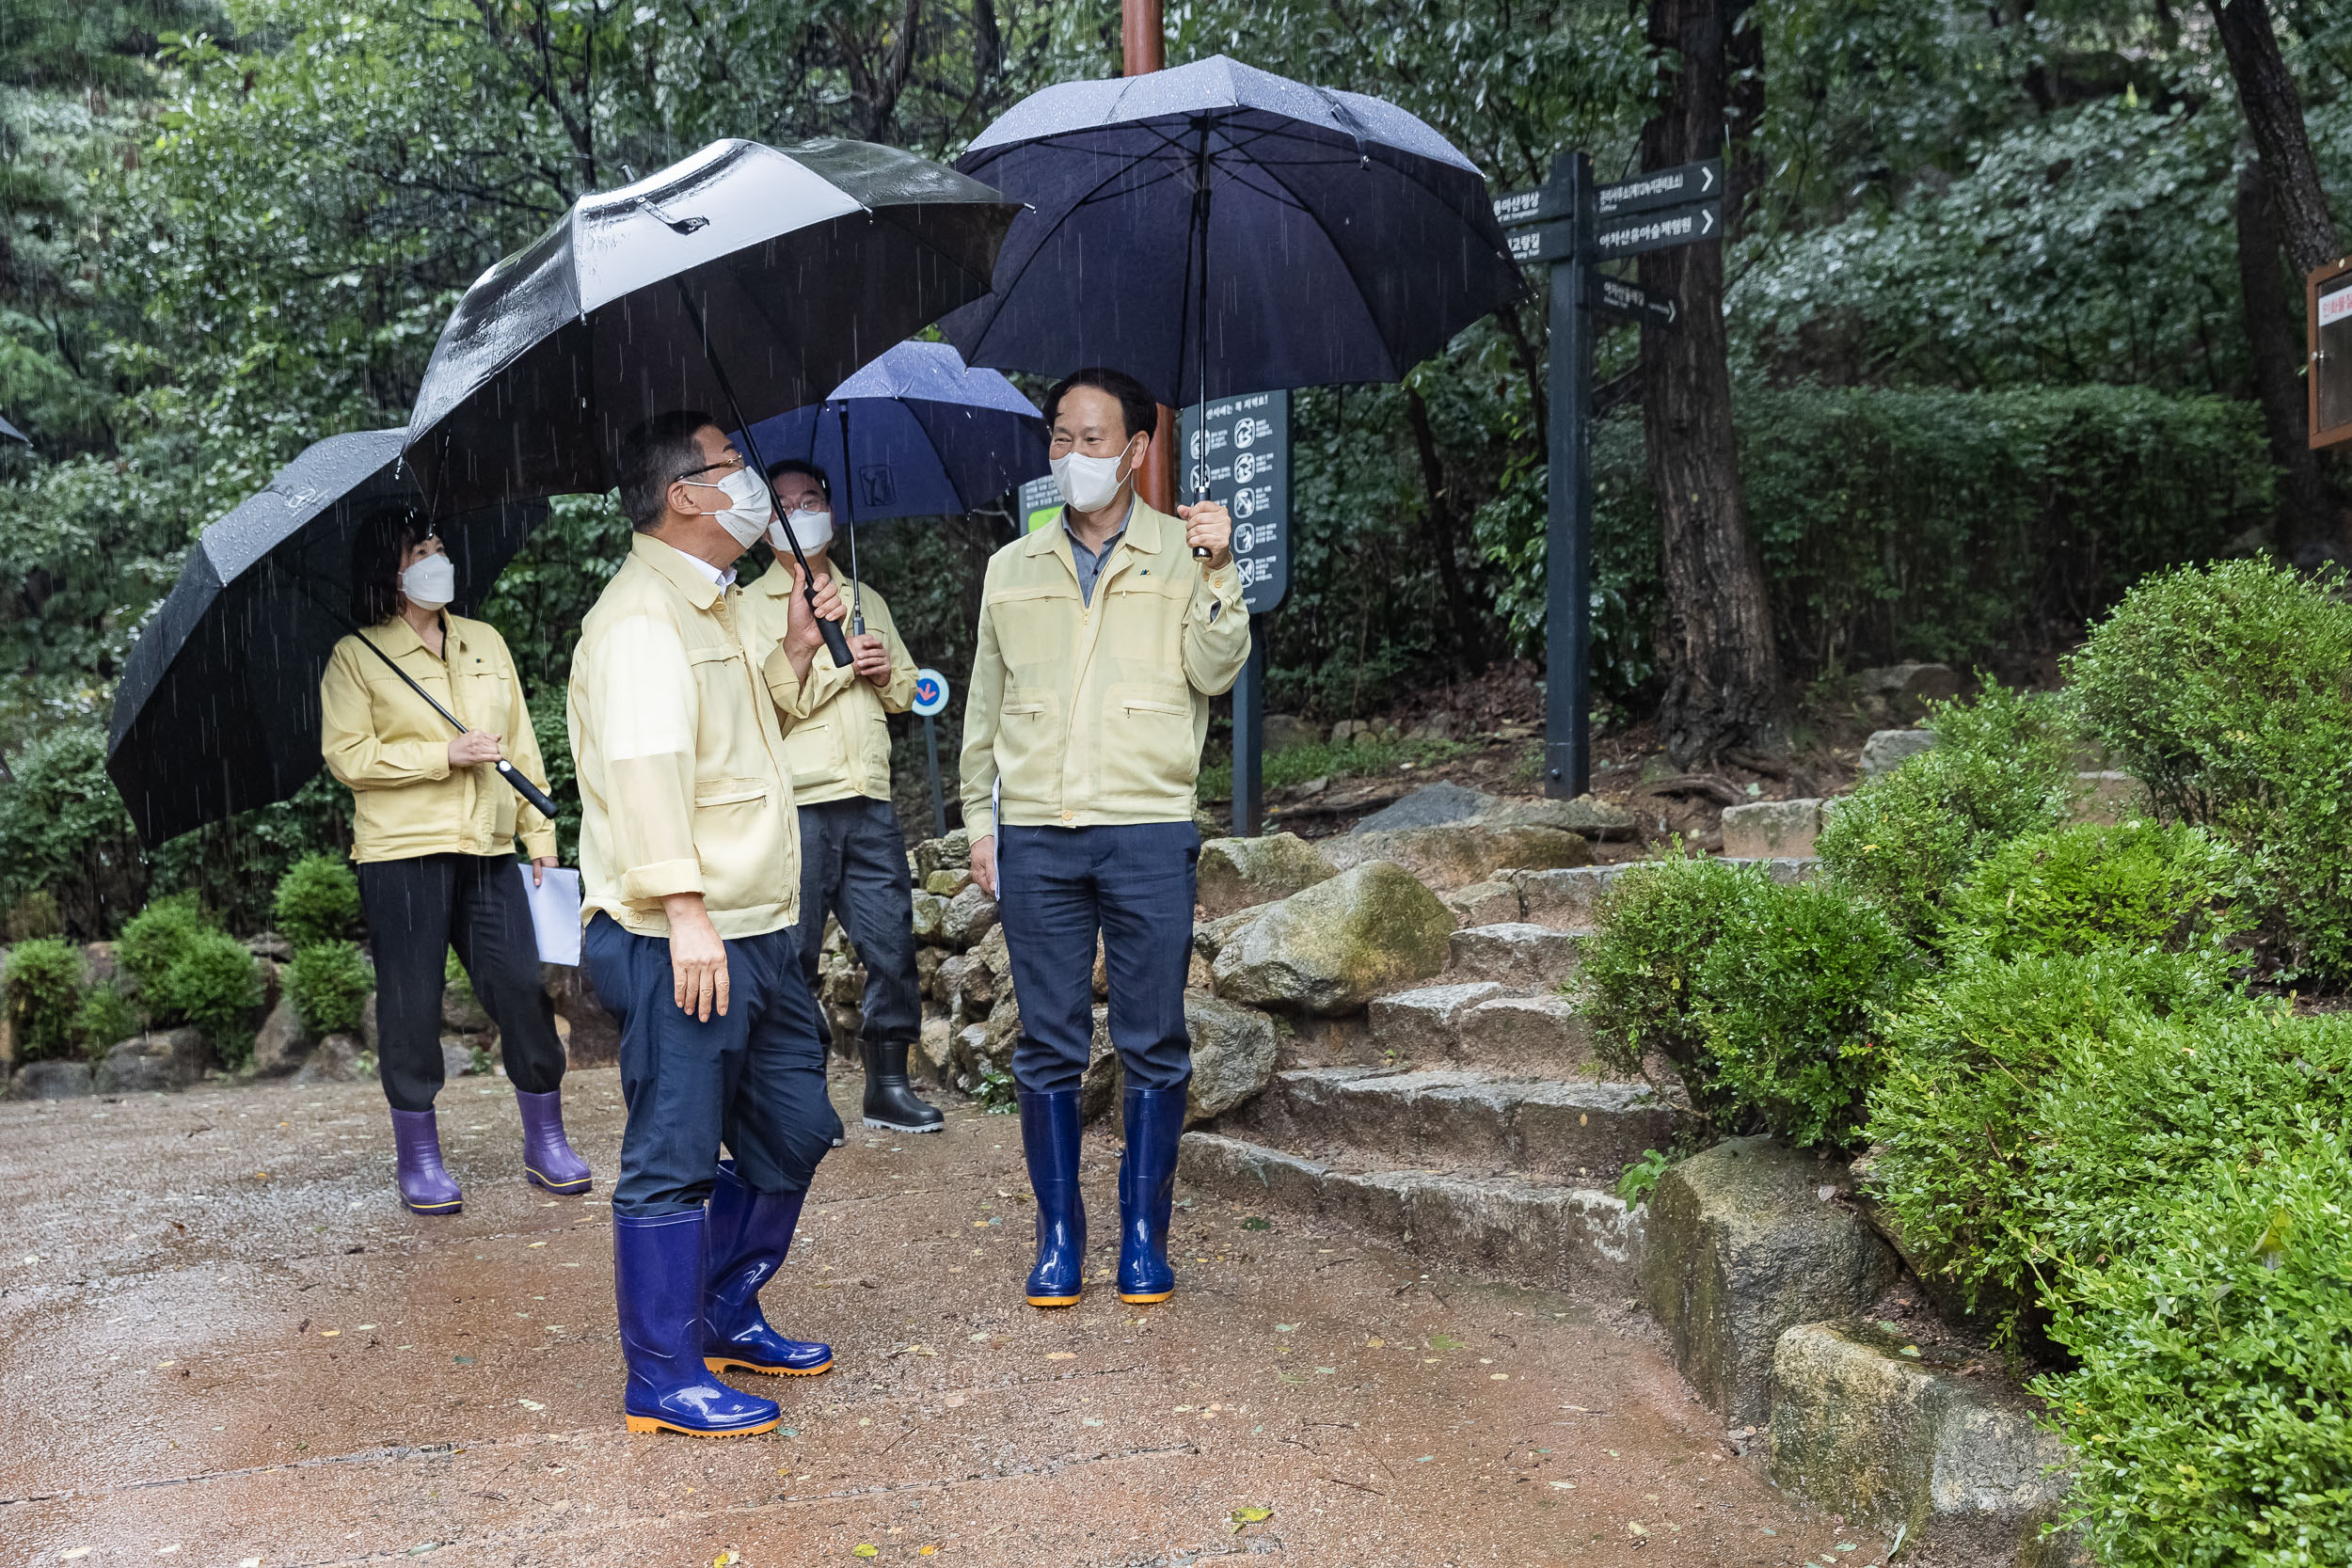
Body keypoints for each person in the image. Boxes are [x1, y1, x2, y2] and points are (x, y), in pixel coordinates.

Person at [570, 412, 849, 1438]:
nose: (751, 483)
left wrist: (794, 651)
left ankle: (725, 1306)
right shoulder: (641, 618)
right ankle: (661, 1373)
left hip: (756, 921)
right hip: (681, 934)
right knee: (675, 1151)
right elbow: (647, 774)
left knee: (794, 1126)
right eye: (732, 466)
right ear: (684, 493)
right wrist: (685, 911)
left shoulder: (716, 604)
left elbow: (740, 743)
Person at [958, 366, 1247, 1310]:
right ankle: (1056, 1236)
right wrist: (977, 818)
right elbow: (983, 711)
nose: (1071, 456)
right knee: (1045, 1044)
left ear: (1134, 451)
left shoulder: (1182, 552)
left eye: (1092, 440)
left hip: (1147, 829)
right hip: (1037, 830)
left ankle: (1142, 1237)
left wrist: (1218, 568)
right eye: (1058, 438)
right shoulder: (1012, 567)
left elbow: (1216, 669)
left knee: (1152, 1040)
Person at [320, 515, 590, 1217]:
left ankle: (547, 1139)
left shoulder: (485, 642)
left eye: (440, 546)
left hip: (489, 848)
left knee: (519, 987)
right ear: (392, 569)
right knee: (410, 1005)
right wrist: (442, 755)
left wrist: (539, 831)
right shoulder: (357, 656)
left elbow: (520, 743)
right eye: (420, 551)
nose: (437, 559)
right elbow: (348, 756)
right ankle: (420, 1158)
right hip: (400, 855)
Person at [738, 458, 942, 1135]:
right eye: (786, 503)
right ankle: (798, 1093)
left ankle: (887, 1084)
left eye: (814, 498)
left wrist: (883, 673)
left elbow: (908, 688)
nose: (803, 511)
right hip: (797, 804)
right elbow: (763, 708)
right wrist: (838, 664)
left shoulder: (865, 596)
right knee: (793, 953)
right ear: (766, 524)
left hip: (869, 797)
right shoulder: (747, 608)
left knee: (891, 946)